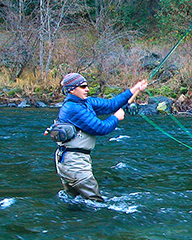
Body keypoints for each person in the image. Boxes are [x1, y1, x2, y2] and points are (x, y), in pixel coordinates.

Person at [53, 72, 148, 202]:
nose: (87, 89)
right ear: (72, 90)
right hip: (74, 164)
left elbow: (112, 104)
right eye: (83, 86)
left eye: (86, 86)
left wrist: (135, 88)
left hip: (70, 162)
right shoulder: (72, 108)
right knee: (95, 204)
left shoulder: (85, 102)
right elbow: (100, 128)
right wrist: (115, 118)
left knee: (76, 203)